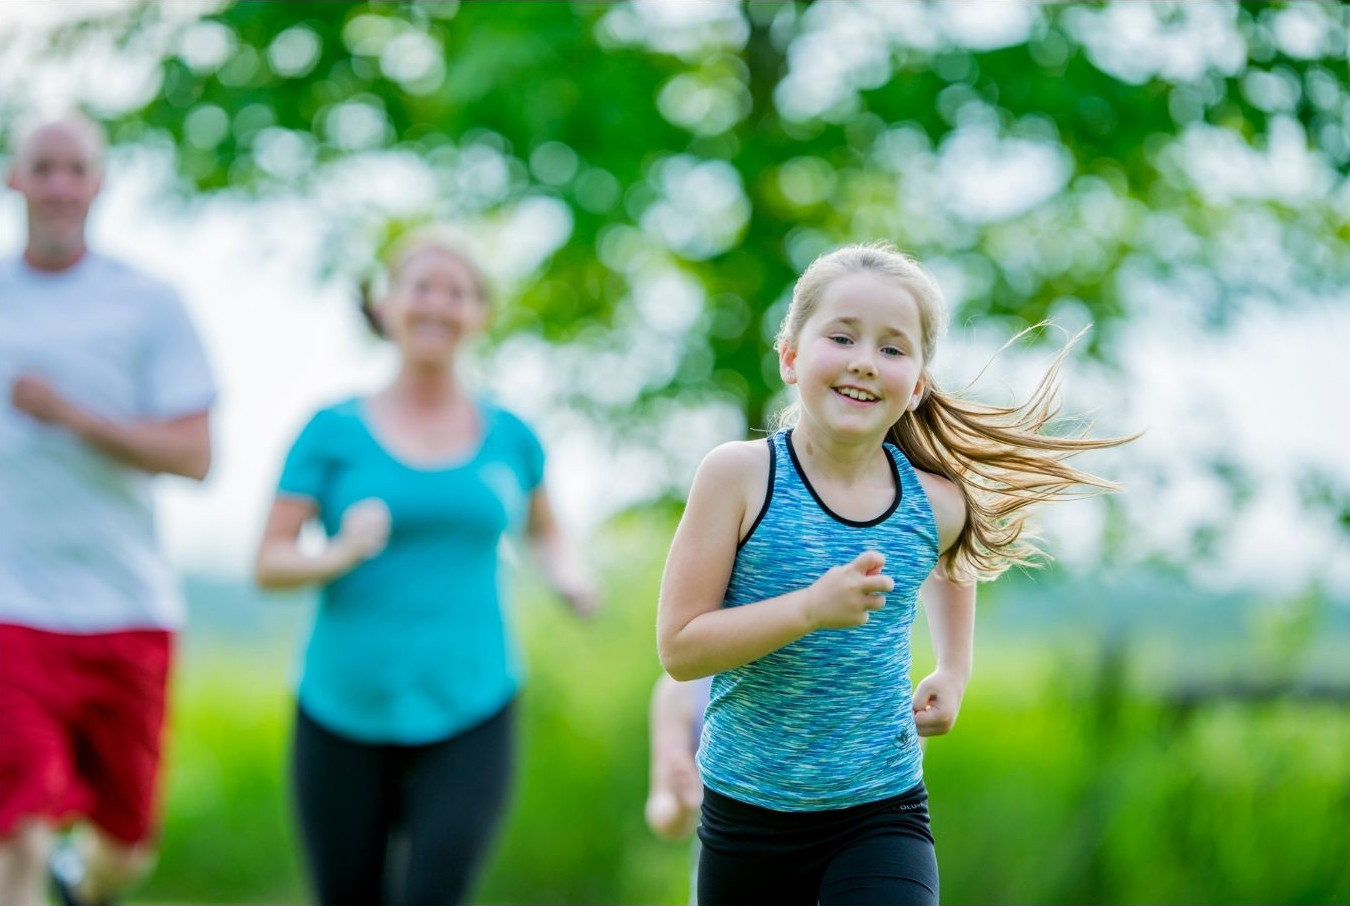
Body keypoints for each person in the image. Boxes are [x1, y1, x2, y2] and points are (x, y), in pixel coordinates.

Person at [656, 242, 1133, 905]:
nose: (863, 361)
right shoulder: (738, 476)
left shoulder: (934, 502)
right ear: (791, 356)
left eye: (891, 348)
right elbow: (680, 649)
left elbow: (948, 562)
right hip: (747, 813)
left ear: (917, 387)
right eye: (842, 336)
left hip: (880, 808)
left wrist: (954, 667)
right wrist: (808, 609)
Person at [253, 229, 599, 906]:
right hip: (342, 704)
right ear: (386, 305)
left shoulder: (511, 434)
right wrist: (338, 552)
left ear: (481, 314)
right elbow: (268, 560)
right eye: (421, 287)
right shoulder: (330, 430)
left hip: (473, 700)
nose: (438, 304)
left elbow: (548, 533)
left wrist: (569, 575)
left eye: (458, 292)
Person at [0, 113, 217, 906]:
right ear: (13, 178)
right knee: (15, 822)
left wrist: (75, 417)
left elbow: (195, 457)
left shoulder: (149, 304)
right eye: (43, 167)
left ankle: (82, 886)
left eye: (75, 169)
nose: (59, 185)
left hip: (127, 607)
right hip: (11, 606)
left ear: (98, 184)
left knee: (124, 847)